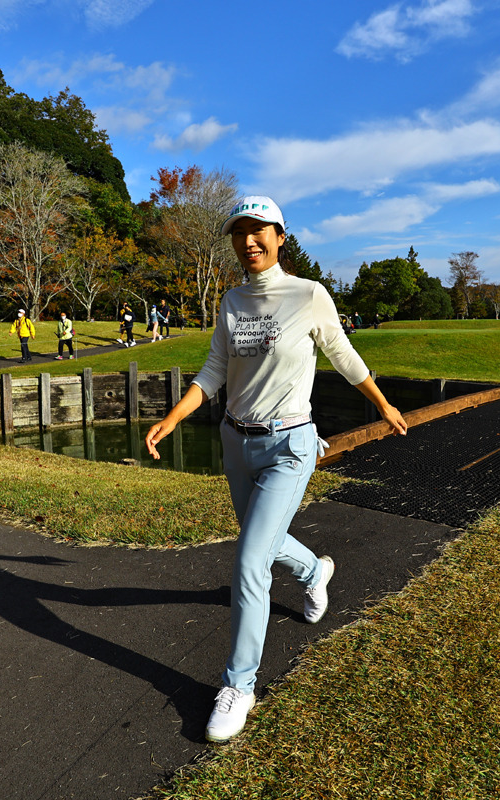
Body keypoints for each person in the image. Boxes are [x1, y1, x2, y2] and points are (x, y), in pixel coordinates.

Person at [144, 195, 407, 744]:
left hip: (290, 445)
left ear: (281, 236)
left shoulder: (309, 295)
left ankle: (239, 685)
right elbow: (214, 368)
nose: (249, 241)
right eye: (240, 232)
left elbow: (343, 354)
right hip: (236, 443)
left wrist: (382, 404)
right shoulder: (232, 300)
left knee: (248, 562)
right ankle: (314, 572)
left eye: (260, 230)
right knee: (260, 541)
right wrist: (172, 418)